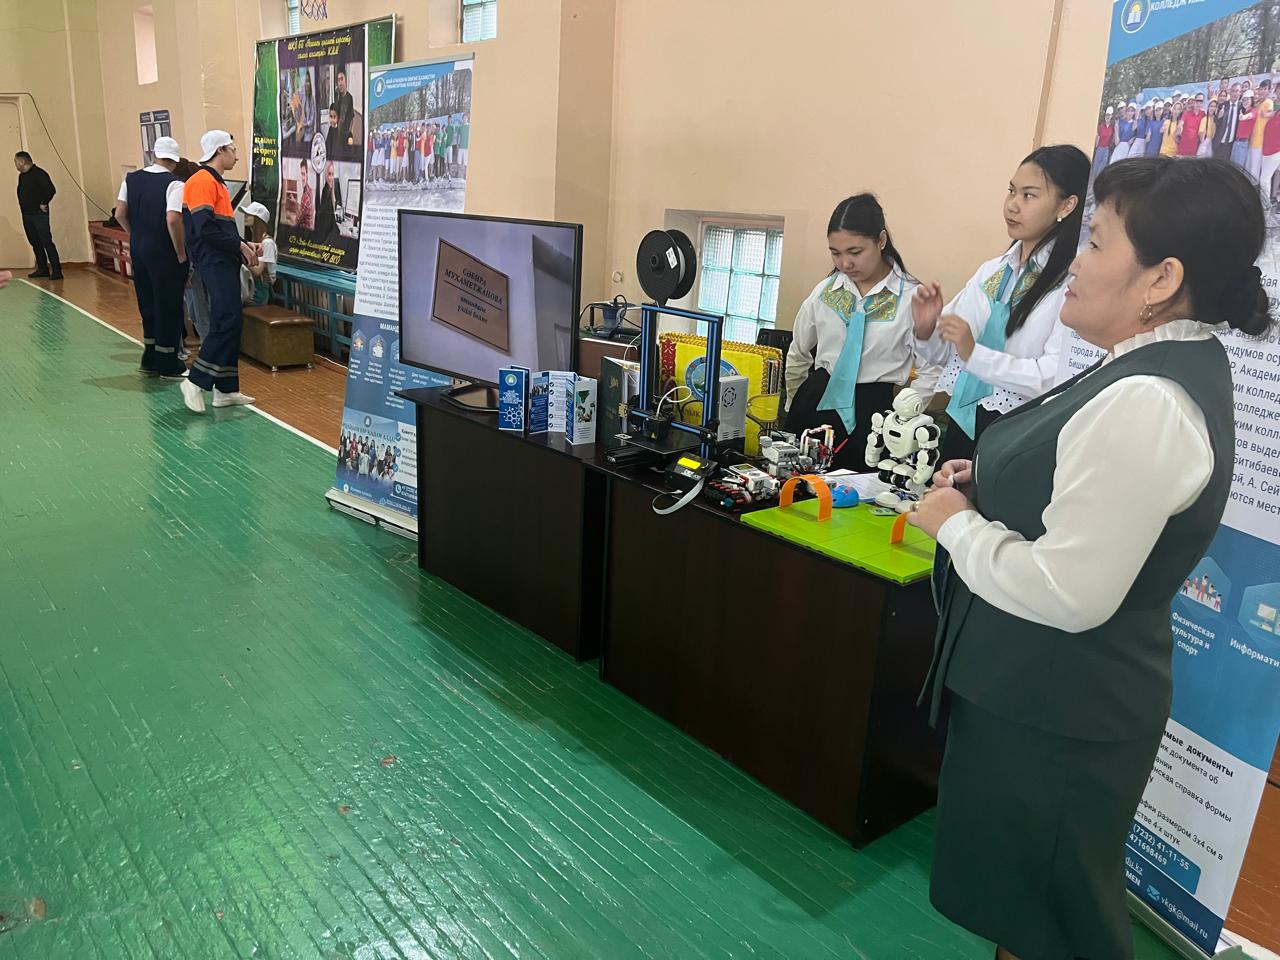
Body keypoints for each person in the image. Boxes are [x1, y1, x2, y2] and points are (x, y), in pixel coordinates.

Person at [910, 156, 1269, 960]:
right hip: (1038, 699)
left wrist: (957, 527)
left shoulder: (1148, 399)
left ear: (1161, 280)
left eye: (1097, 242)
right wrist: (991, 482)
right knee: (1024, 912)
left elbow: (1070, 591)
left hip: (1061, 714)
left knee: (1051, 920)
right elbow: (1078, 485)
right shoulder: (1144, 367)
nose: (1074, 262)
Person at [912, 145, 1089, 463]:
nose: (1012, 205)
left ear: (1067, 205)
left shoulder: (1072, 284)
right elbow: (946, 354)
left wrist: (975, 354)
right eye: (1011, 191)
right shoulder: (992, 271)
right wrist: (926, 330)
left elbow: (1053, 378)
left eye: (1029, 195)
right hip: (963, 419)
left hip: (1018, 432)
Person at [783, 194, 939, 467]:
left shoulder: (912, 298)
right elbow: (798, 352)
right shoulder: (825, 292)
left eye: (855, 252)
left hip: (874, 415)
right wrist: (794, 403)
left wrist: (903, 418)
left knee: (863, 487)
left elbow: (933, 369)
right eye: (836, 253)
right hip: (815, 402)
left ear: (881, 240)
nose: (845, 263)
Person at [178, 130, 261, 414]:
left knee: (231, 321)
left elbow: (222, 228)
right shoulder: (202, 181)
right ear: (220, 151)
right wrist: (239, 245)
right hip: (213, 261)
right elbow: (205, 229)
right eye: (233, 149)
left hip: (223, 259)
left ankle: (225, 390)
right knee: (226, 320)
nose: (236, 155)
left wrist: (243, 244)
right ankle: (195, 381)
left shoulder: (217, 183)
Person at [113, 135, 189, 378]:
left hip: (139, 248)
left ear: (153, 155)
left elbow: (120, 213)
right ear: (175, 161)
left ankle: (150, 358)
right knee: (168, 304)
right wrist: (180, 251)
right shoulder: (175, 184)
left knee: (147, 303)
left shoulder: (131, 179)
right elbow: (173, 219)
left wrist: (135, 234)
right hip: (164, 251)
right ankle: (168, 363)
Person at [14, 151, 61, 280]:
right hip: (27, 214)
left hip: (39, 215)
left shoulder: (39, 173)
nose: (15, 164)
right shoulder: (22, 176)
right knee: (35, 242)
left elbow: (51, 189)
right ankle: (42, 268)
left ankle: (57, 271)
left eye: (16, 161)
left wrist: (43, 202)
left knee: (46, 241)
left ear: (23, 161)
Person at [239, 201, 278, 306]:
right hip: (250, 284)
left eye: (250, 214)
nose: (245, 216)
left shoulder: (267, 243)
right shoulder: (252, 241)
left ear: (258, 219)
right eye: (246, 213)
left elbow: (258, 271)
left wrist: (242, 258)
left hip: (260, 288)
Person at [1249, 78, 1275, 181]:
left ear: (1269, 91)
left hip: (1260, 141)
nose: (1262, 91)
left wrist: (1267, 114)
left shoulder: (1269, 102)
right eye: (1261, 89)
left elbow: (1271, 114)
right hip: (1252, 139)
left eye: (1265, 89)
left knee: (1254, 170)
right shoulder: (1259, 103)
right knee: (1250, 167)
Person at [1214, 83, 1242, 162]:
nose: (1234, 93)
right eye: (1233, 91)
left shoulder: (1241, 107)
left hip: (1231, 144)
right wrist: (1218, 117)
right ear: (1230, 92)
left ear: (1240, 93)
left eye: (1237, 91)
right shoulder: (1222, 105)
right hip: (1219, 143)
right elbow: (1215, 122)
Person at [1235, 90, 1257, 168]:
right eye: (1244, 100)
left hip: (1242, 143)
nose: (1245, 102)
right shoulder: (1243, 111)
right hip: (1236, 142)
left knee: (1238, 168)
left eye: (1247, 99)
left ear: (1252, 100)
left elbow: (1250, 116)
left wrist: (1243, 117)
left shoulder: (1254, 110)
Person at [334, 69, 355, 144]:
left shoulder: (349, 98)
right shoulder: (337, 98)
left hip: (346, 136)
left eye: (341, 79)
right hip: (337, 136)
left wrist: (350, 133)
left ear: (345, 80)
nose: (340, 83)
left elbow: (352, 118)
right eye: (338, 81)